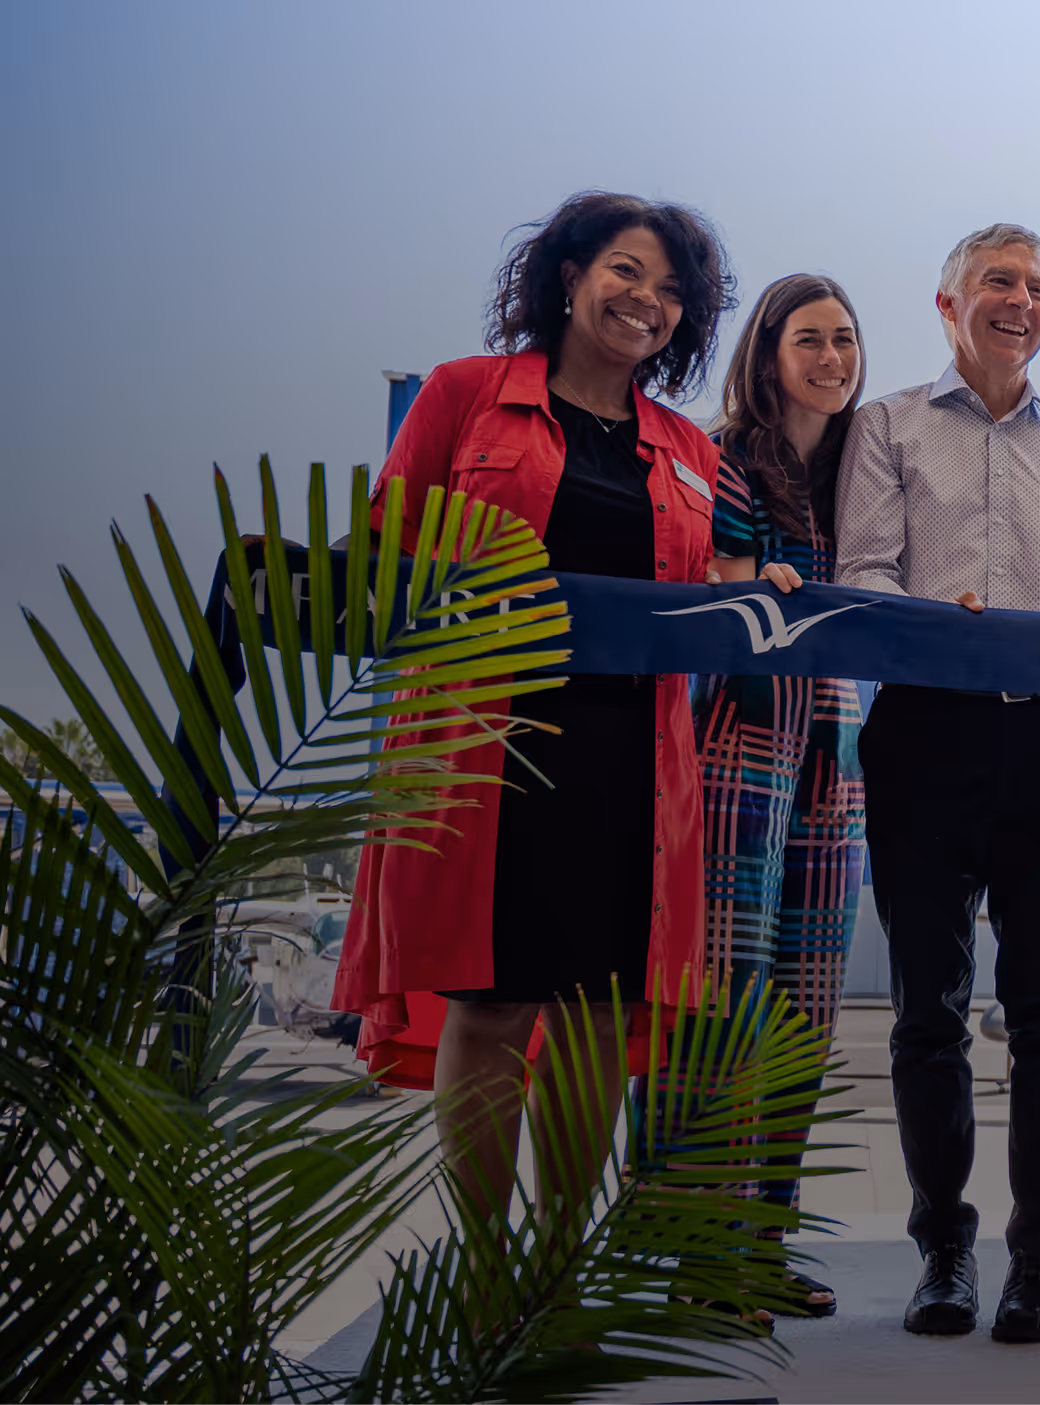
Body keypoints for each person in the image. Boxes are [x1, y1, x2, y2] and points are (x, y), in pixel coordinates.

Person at [335, 191, 734, 1229]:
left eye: (671, 290)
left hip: (632, 758)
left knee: (598, 1008)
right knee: (494, 998)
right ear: (569, 276)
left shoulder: (689, 450)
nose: (646, 300)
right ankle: (482, 1266)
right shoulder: (463, 394)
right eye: (625, 271)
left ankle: (557, 1264)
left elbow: (696, 591)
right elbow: (387, 551)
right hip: (488, 745)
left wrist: (754, 586)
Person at [835, 223, 1040, 1345]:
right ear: (949, 304)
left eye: (1037, 286)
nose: (1020, 301)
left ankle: (1038, 1262)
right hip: (926, 734)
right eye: (998, 281)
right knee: (928, 1012)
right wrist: (936, 625)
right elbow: (863, 573)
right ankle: (943, 1251)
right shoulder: (887, 426)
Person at [688, 272, 869, 1318]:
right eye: (809, 338)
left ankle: (761, 1243)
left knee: (806, 1007)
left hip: (832, 741)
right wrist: (747, 578)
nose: (831, 358)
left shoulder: (859, 469)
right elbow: (713, 578)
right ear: (766, 353)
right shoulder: (723, 458)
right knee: (722, 1003)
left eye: (844, 338)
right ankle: (693, 1251)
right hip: (740, 736)